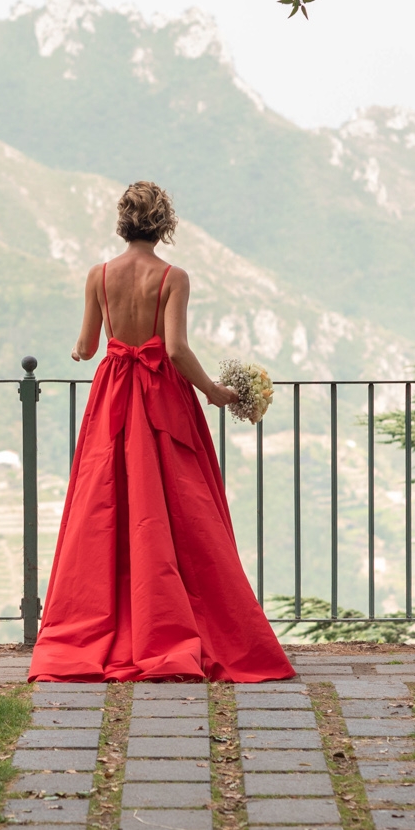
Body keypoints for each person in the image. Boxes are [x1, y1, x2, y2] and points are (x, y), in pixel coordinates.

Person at [28, 182, 295, 683]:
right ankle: (170, 621)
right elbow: (174, 349)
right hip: (162, 398)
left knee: (108, 502)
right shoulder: (173, 277)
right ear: (164, 225)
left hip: (114, 396)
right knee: (177, 509)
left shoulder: (98, 276)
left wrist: (82, 351)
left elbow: (86, 346)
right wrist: (214, 392)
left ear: (122, 222)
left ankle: (108, 621)